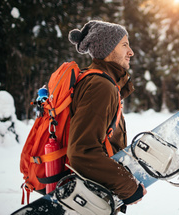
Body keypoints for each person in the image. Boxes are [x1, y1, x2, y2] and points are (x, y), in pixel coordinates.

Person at [67, 20, 147, 206]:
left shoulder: (99, 81)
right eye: (124, 45)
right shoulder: (101, 86)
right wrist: (128, 187)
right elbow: (82, 152)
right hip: (87, 196)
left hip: (94, 189)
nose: (131, 52)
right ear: (108, 49)